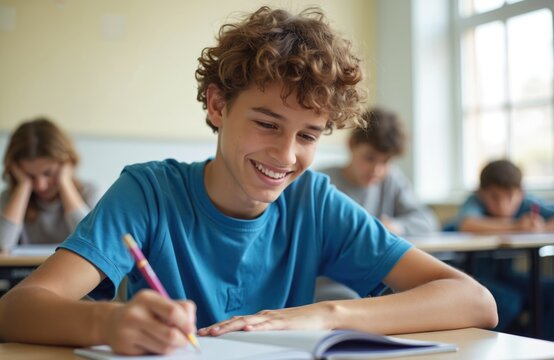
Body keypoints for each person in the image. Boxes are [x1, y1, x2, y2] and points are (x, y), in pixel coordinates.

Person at [0, 6, 497, 356]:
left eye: (308, 135)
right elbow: (16, 309)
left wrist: (329, 315)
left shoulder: (314, 201)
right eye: (266, 123)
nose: (285, 155)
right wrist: (106, 322)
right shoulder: (149, 193)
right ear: (218, 106)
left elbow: (475, 301)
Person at [315, 107, 438, 301]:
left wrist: (397, 226)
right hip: (333, 281)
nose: (377, 169)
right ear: (351, 145)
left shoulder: (392, 180)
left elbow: (426, 220)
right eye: (369, 158)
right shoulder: (323, 183)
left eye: (386, 161)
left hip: (378, 277)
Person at [446, 159, 554, 339]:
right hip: (471, 275)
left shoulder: (528, 203)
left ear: (521, 192)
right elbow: (468, 224)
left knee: (549, 292)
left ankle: (539, 344)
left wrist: (540, 227)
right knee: (507, 302)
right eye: (495, 197)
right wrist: (517, 226)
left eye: (510, 196)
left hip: (505, 275)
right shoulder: (474, 203)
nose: (503, 204)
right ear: (481, 193)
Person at [0, 118, 100, 251]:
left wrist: (64, 183)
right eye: (30, 175)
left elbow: (92, 244)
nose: (40, 185)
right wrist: (24, 185)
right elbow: (2, 247)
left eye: (48, 173)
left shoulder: (89, 192)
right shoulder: (10, 198)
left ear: (67, 163)